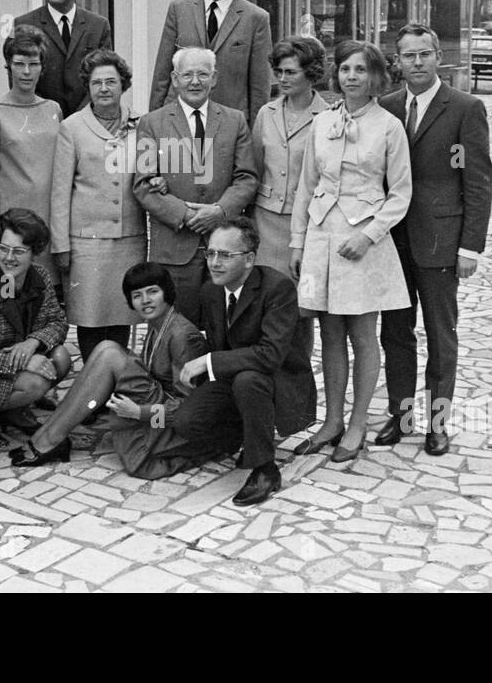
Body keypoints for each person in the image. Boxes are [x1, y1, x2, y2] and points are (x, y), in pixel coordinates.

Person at [290, 39, 412, 463]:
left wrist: (369, 235)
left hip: (363, 243)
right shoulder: (322, 123)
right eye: (345, 69)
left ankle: (358, 423)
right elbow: (306, 185)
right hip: (323, 237)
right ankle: (332, 420)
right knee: (329, 333)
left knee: (362, 335)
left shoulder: (388, 127)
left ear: (375, 76)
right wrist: (297, 240)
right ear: (335, 75)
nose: (352, 77)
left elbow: (400, 193)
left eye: (361, 70)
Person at [378, 24, 492, 456]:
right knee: (396, 332)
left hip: (440, 240)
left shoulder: (465, 108)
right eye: (408, 56)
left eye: (425, 54)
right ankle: (401, 414)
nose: (417, 63)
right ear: (398, 62)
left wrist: (469, 246)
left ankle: (438, 423)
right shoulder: (386, 107)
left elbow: (478, 181)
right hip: (393, 240)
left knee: (441, 334)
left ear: (438, 56)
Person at [9, 262, 210, 476]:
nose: (146, 301)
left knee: (111, 354)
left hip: (171, 427)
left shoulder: (183, 336)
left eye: (153, 292)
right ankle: (49, 435)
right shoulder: (158, 323)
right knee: (105, 348)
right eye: (137, 295)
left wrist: (139, 413)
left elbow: (188, 410)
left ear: (167, 293)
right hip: (157, 403)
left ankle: (50, 439)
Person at [170, 219, 317, 506]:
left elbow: (270, 356)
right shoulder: (211, 290)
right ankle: (245, 434)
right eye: (210, 253)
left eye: (225, 255)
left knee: (248, 380)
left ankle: (265, 469)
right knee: (186, 422)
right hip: (234, 378)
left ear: (249, 259)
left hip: (277, 380)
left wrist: (208, 361)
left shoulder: (278, 289)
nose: (214, 263)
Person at [133, 47, 257, 322]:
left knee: (226, 326)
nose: (195, 81)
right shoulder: (151, 123)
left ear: (214, 79)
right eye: (187, 74)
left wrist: (220, 212)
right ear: (175, 79)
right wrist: (187, 215)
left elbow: (246, 177)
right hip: (175, 247)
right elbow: (143, 184)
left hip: (224, 243)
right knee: (177, 329)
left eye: (203, 74)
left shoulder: (235, 121)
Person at [50, 50, 147, 365]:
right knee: (90, 319)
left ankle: (116, 383)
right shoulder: (72, 128)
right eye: (96, 83)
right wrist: (60, 244)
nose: (104, 89)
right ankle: (92, 392)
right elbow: (61, 191)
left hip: (129, 239)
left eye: (111, 82)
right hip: (87, 243)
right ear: (87, 87)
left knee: (121, 314)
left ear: (123, 85)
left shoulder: (141, 126)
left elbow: (150, 178)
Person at [0, 208, 72, 447]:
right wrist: (23, 361)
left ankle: (12, 409)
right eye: (3, 248)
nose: (9, 258)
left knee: (61, 357)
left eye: (19, 251)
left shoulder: (40, 276)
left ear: (34, 252)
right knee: (36, 382)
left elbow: (58, 322)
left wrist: (33, 343)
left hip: (17, 364)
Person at [148, 0, 272, 123]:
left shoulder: (255, 18)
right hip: (179, 122)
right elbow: (162, 73)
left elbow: (259, 87)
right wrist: (154, 121)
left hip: (229, 125)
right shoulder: (179, 9)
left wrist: (252, 134)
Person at [0, 25, 62, 287]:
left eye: (33, 64)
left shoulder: (54, 110)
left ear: (42, 67)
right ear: (9, 66)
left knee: (45, 298)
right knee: (9, 295)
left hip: (48, 221)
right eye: (19, 64)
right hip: (12, 227)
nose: (26, 72)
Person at [251, 35, 330, 277]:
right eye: (279, 71)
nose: (282, 79)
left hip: (305, 221)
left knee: (299, 300)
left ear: (311, 73)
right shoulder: (266, 113)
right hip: (264, 220)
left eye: (291, 72)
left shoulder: (327, 117)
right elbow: (254, 166)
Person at [14, 0, 114, 119]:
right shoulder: (25, 24)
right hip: (40, 120)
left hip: (87, 120)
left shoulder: (98, 26)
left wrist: (81, 118)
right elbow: (19, 78)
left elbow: (103, 75)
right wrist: (48, 113)